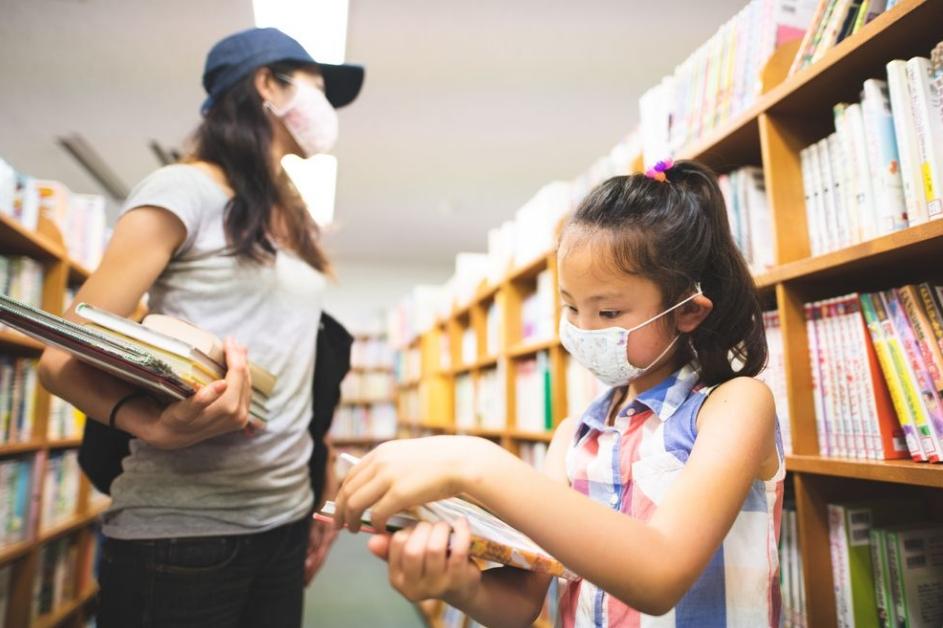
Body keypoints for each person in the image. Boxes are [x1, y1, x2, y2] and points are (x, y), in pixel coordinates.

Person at [333, 160, 784, 627]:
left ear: (688, 311)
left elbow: (661, 575)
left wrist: (473, 463)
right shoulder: (575, 435)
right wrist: (455, 584)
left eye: (608, 312)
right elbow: (520, 606)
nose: (583, 330)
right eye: (570, 307)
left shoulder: (736, 405)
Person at [38, 27, 363, 627]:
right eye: (317, 87)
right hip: (185, 538)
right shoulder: (183, 188)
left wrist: (317, 479)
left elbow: (293, 358)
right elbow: (60, 361)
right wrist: (153, 428)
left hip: (284, 519)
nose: (327, 109)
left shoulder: (286, 213)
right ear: (268, 85)